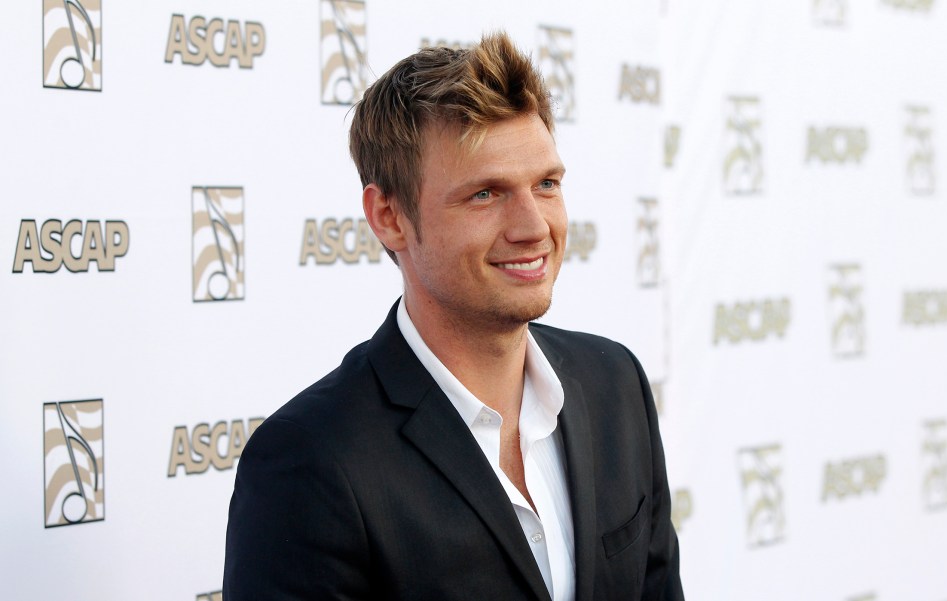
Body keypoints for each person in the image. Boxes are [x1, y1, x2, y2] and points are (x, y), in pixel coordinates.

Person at [223, 31, 683, 601]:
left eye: (546, 184)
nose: (533, 226)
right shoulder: (312, 460)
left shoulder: (615, 385)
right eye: (485, 194)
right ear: (389, 216)